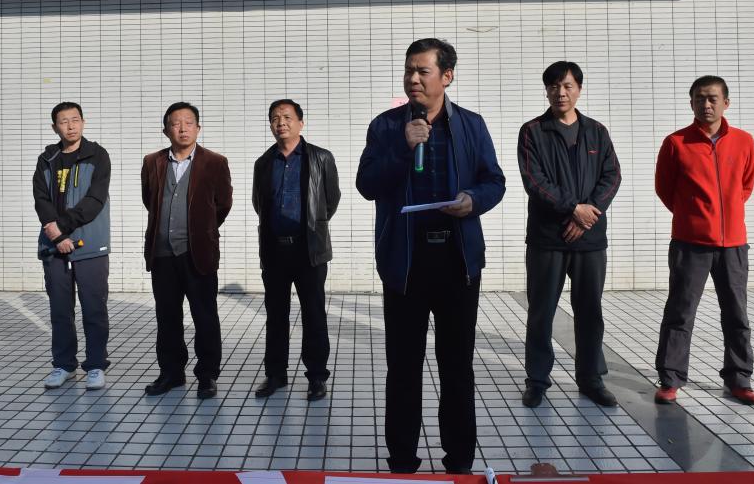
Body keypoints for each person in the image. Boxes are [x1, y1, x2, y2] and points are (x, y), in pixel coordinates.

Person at [356, 38, 505, 475]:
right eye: (409, 70)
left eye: (423, 71)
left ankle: (459, 461)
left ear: (447, 76)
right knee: (403, 366)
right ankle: (402, 461)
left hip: (457, 260)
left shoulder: (472, 125)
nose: (414, 79)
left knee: (457, 365)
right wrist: (403, 146)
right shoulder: (386, 126)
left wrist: (473, 201)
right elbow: (367, 184)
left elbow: (494, 181)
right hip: (405, 262)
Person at [517, 61, 621, 408]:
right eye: (554, 87)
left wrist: (587, 214)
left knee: (590, 311)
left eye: (567, 86)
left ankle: (591, 379)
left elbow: (612, 176)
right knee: (541, 312)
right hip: (548, 237)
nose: (560, 93)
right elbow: (534, 181)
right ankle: (537, 380)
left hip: (589, 238)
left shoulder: (597, 132)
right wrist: (573, 209)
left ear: (579, 89)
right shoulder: (533, 131)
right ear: (546, 91)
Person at [654, 76, 754, 405]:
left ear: (726, 103)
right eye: (700, 98)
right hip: (690, 242)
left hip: (733, 244)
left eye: (713, 98)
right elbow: (665, 188)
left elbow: (746, 185)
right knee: (680, 312)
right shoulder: (676, 143)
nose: (706, 104)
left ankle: (739, 379)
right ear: (691, 103)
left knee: (737, 314)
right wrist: (694, 216)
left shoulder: (743, 141)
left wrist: (726, 214)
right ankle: (670, 379)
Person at [141, 102, 232, 399]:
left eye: (189, 122)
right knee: (167, 316)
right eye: (176, 123)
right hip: (162, 253)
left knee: (205, 316)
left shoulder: (215, 162)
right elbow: (149, 200)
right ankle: (171, 373)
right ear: (166, 130)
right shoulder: (152, 162)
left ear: (198, 128)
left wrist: (199, 231)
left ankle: (207, 375)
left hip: (198, 253)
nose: (182, 128)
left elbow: (222, 205)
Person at [252, 99, 340, 401]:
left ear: (301, 123)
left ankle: (316, 376)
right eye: (275, 118)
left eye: (287, 117)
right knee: (276, 315)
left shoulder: (321, 158)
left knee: (313, 313)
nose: (281, 123)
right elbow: (259, 204)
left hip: (309, 250)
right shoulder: (263, 162)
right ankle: (275, 374)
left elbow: (330, 200)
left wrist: (312, 226)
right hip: (274, 250)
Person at [33, 102, 112, 390]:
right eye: (64, 121)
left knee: (94, 308)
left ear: (83, 122)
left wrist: (60, 227)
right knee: (60, 310)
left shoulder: (98, 155)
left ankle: (95, 365)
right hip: (54, 247)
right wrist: (55, 236)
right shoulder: (47, 158)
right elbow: (41, 198)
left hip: (90, 244)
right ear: (55, 127)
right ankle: (64, 364)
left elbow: (94, 200)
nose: (70, 126)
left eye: (75, 119)